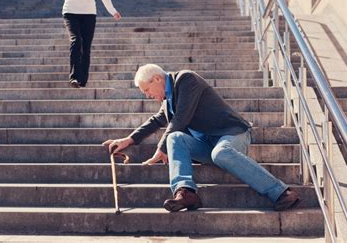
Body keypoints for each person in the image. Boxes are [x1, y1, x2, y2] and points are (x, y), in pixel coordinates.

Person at [103, 64, 301, 212]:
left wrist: (160, 149)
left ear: (157, 79)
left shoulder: (186, 80)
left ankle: (282, 192)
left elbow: (180, 119)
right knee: (176, 139)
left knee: (220, 153)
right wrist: (128, 140)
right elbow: (156, 120)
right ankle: (186, 193)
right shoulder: (169, 100)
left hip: (232, 134)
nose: (147, 95)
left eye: (146, 90)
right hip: (207, 143)